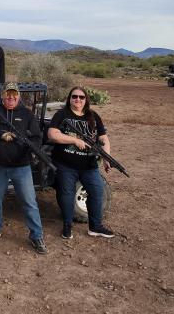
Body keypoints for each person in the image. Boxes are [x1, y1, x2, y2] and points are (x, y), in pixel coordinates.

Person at [0, 82, 48, 254]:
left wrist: (31, 150)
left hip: (21, 166)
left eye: (14, 95)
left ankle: (36, 235)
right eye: (7, 94)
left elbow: (37, 138)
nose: (10, 98)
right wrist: (0, 134)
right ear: (2, 95)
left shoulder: (27, 114)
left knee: (29, 202)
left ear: (19, 96)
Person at [47, 86, 115, 240]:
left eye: (81, 97)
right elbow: (52, 134)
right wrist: (74, 140)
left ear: (86, 100)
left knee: (97, 192)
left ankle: (95, 227)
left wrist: (106, 157)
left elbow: (103, 138)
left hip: (89, 166)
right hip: (66, 164)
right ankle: (67, 226)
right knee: (66, 195)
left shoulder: (93, 116)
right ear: (69, 99)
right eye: (74, 96)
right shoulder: (62, 114)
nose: (77, 99)